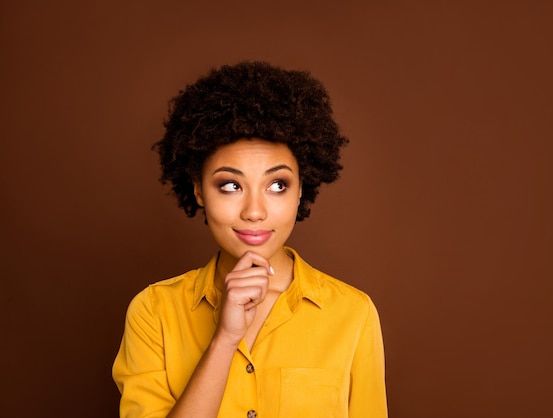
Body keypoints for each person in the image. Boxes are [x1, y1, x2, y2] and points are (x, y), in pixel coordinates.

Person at [112, 61, 387, 418]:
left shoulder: (353, 314)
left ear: (301, 189)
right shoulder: (153, 313)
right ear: (198, 190)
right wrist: (224, 339)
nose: (254, 211)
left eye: (277, 185)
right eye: (230, 185)